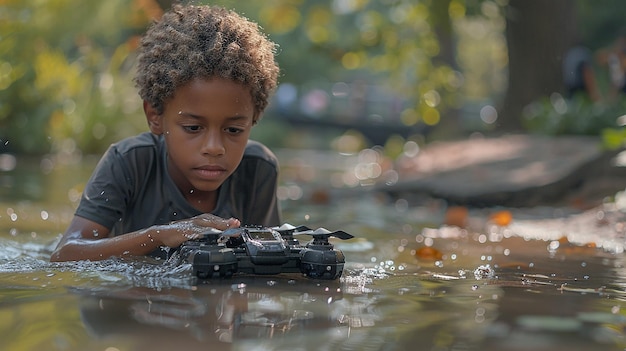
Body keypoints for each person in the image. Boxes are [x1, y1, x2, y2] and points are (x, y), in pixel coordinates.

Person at [51, 4, 281, 262]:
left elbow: (266, 259)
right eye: (193, 128)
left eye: (234, 130)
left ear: (254, 120)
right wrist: (157, 236)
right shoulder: (128, 162)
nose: (215, 147)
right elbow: (65, 254)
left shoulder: (258, 170)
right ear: (155, 116)